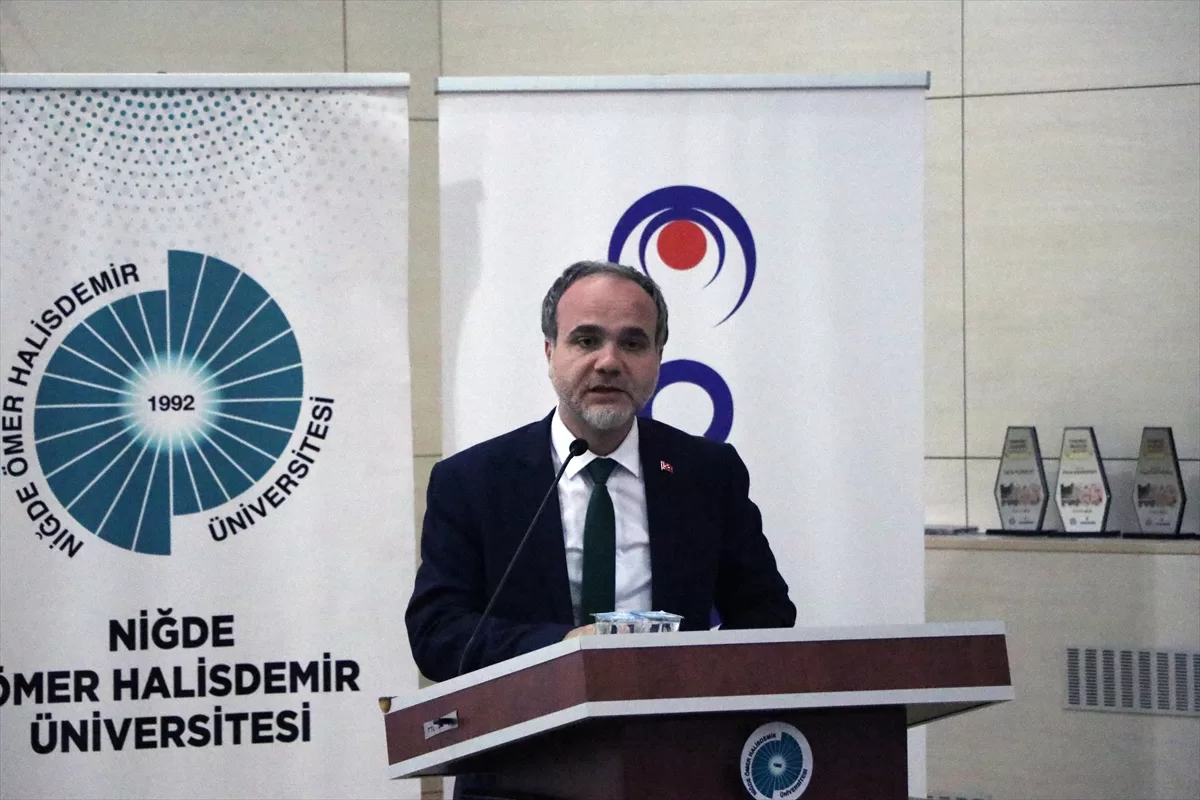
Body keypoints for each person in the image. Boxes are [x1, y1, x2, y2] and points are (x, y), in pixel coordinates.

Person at [405, 260, 795, 683]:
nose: (608, 362)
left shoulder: (706, 472)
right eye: (587, 340)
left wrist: (701, 675)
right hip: (533, 716)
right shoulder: (471, 482)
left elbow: (766, 611)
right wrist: (563, 646)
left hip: (674, 713)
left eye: (632, 343)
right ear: (550, 351)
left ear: (658, 358)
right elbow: (437, 633)